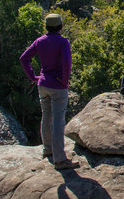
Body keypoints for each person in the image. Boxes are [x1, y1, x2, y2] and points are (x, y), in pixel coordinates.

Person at [19, 13, 79, 170]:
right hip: (58, 86)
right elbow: (66, 61)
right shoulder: (62, 42)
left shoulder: (40, 41)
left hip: (43, 84)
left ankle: (47, 150)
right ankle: (60, 160)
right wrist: (64, 81)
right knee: (58, 121)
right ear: (60, 26)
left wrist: (33, 77)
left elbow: (23, 58)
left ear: (46, 26)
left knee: (46, 116)